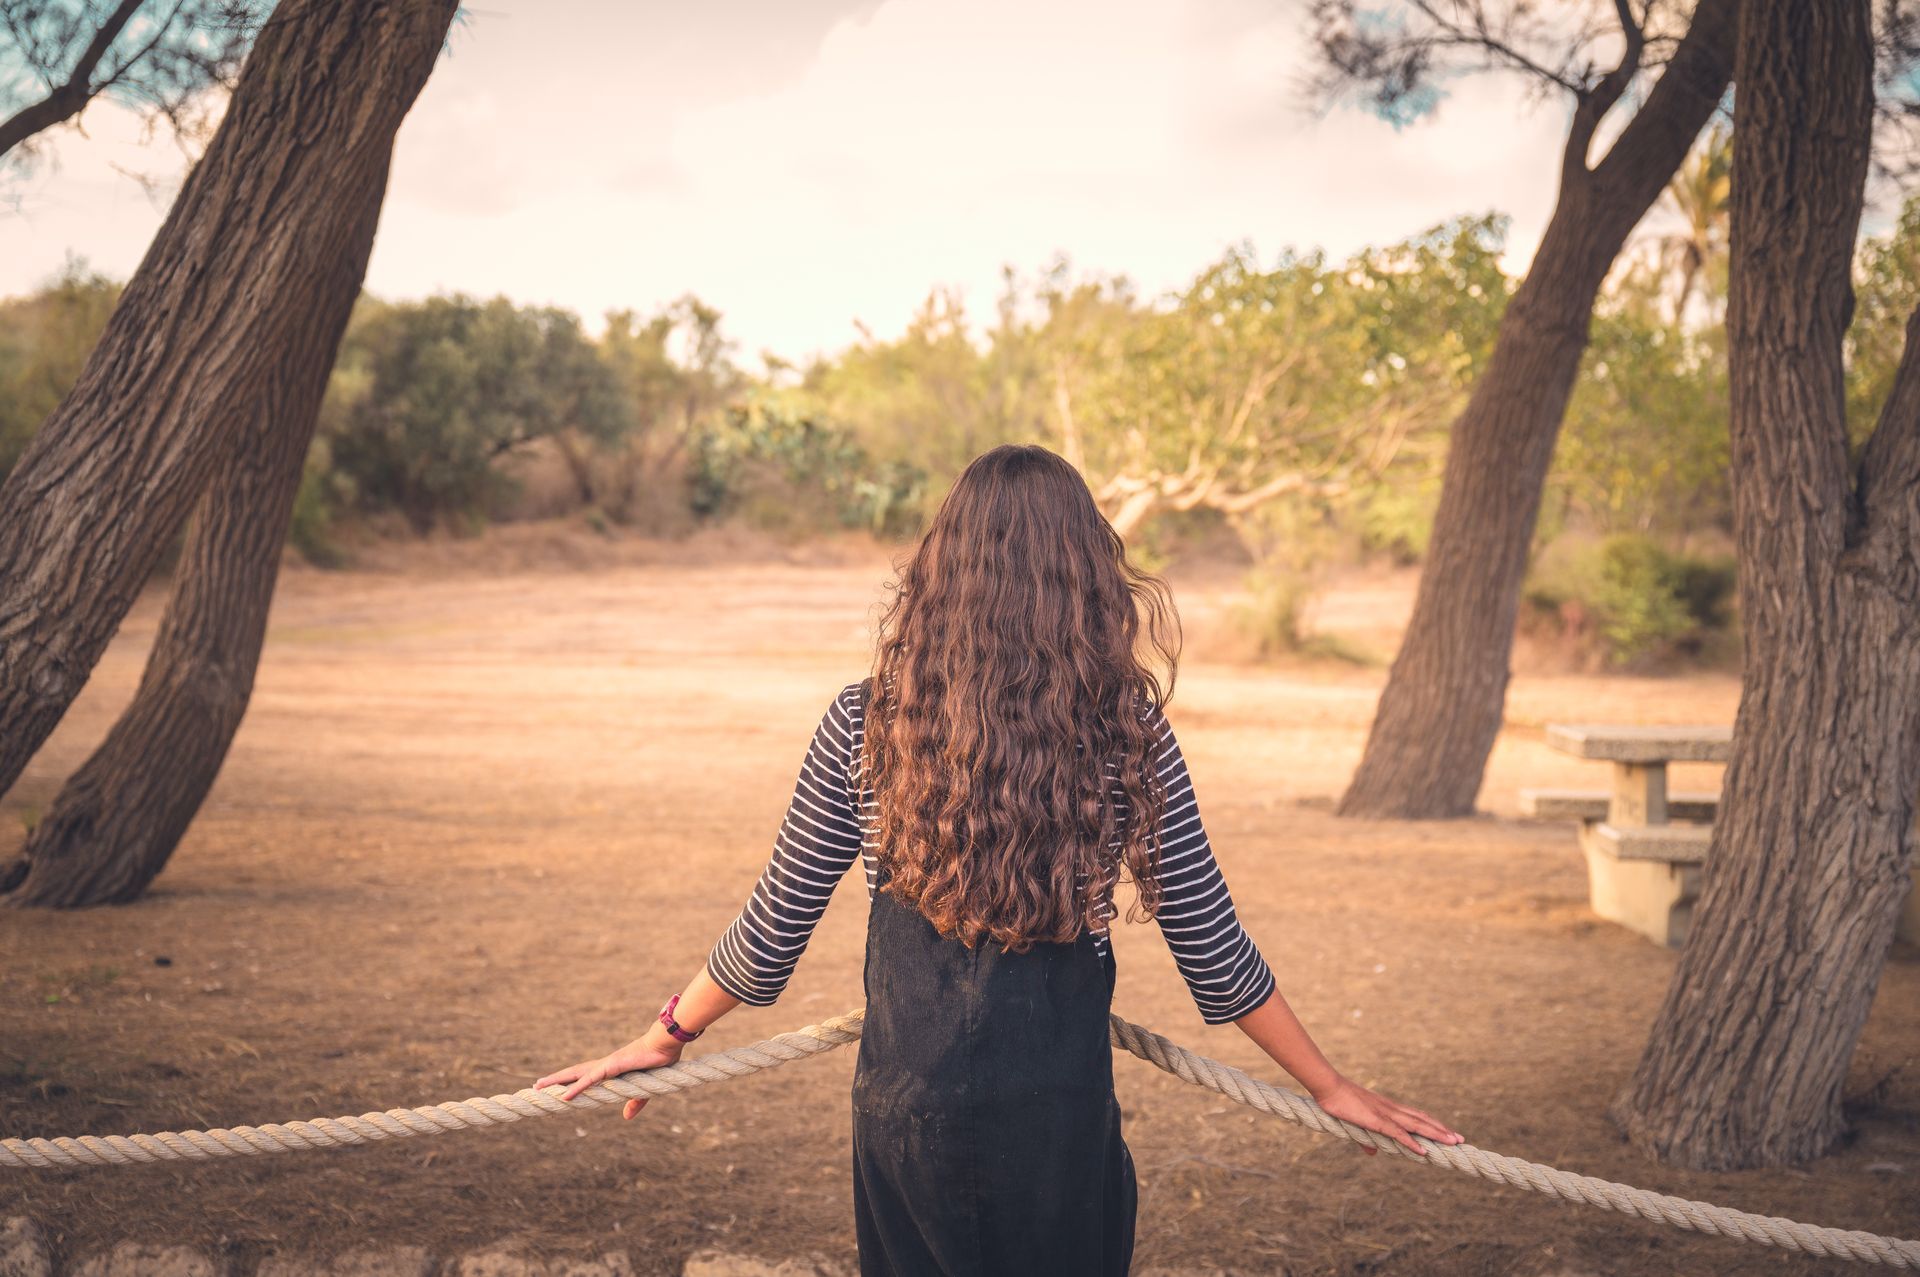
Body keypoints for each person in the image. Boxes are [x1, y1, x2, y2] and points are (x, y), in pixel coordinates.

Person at [538, 444, 1462, 1276]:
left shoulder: (866, 724)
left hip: (907, 1121)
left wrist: (669, 1031)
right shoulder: (1129, 736)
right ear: (1087, 578)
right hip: (1057, 1123)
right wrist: (1328, 1084)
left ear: (941, 572)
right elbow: (1212, 949)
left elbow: (771, 933)